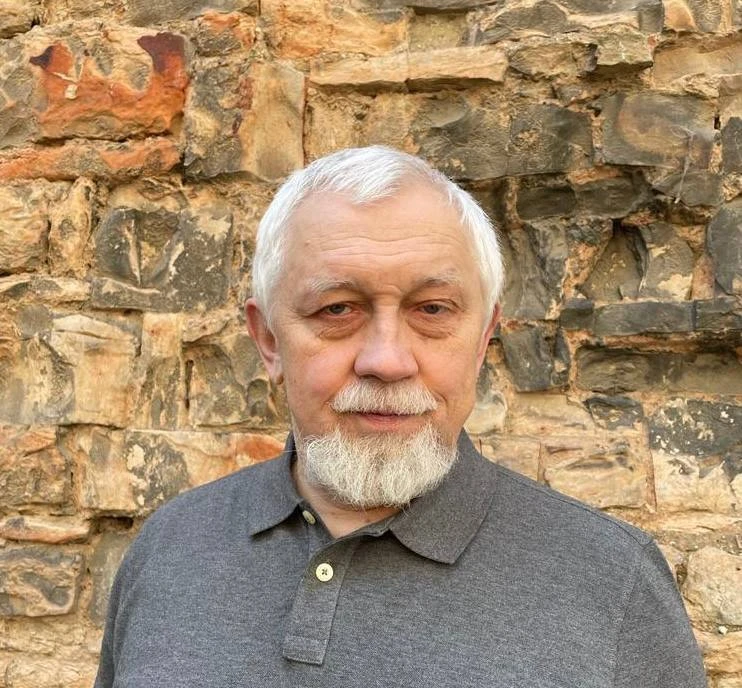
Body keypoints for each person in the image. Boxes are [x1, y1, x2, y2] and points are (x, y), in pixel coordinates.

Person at [94, 146, 706, 687]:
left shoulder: (613, 580)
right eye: (338, 309)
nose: (387, 361)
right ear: (269, 341)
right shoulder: (170, 547)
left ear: (483, 338)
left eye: (432, 309)